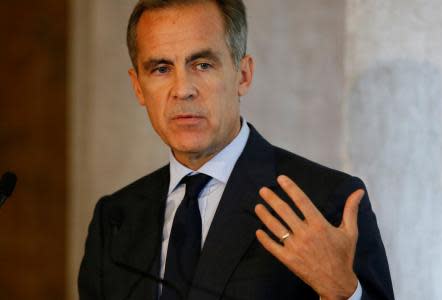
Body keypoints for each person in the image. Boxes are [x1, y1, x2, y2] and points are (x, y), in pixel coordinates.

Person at [78, 1, 394, 299]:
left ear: (243, 75)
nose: (183, 89)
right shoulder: (115, 218)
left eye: (202, 64)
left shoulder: (324, 201)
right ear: (138, 87)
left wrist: (344, 293)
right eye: (161, 69)